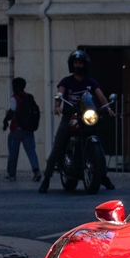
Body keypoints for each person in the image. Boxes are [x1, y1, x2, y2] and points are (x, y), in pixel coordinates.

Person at [39, 50, 115, 193]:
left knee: (98, 143)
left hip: (86, 117)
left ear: (85, 65)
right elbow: (59, 94)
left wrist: (108, 108)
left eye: (80, 63)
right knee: (57, 146)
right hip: (70, 117)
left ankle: (102, 176)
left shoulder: (91, 82)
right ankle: (46, 179)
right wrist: (57, 107)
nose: (78, 65)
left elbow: (101, 97)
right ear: (71, 65)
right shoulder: (66, 81)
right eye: (75, 63)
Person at [2, 77, 41, 182]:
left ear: (15, 86)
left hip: (16, 129)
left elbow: (12, 111)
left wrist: (5, 121)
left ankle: (12, 174)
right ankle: (36, 171)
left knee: (13, 152)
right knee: (31, 151)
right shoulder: (29, 97)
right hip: (28, 129)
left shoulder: (14, 98)